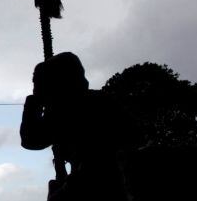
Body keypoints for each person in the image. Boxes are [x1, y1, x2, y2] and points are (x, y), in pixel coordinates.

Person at [20, 52, 133, 201]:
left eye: (37, 84)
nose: (34, 90)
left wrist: (32, 104)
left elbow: (31, 140)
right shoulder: (90, 102)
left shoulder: (72, 108)